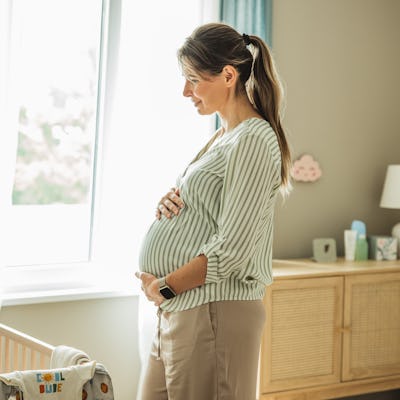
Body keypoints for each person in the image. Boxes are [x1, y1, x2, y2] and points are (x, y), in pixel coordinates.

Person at [135, 22, 291, 400]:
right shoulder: (224, 137)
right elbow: (205, 215)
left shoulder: (254, 139)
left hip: (212, 308)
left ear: (227, 75)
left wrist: (167, 286)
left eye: (192, 79)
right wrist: (170, 205)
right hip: (183, 307)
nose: (185, 91)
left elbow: (233, 250)